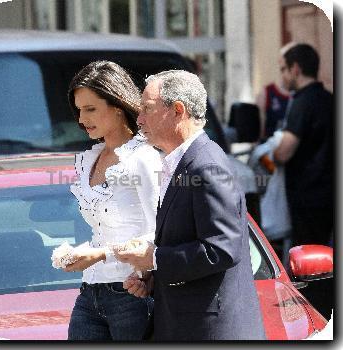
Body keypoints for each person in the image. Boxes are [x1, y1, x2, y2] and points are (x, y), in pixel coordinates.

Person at [114, 70, 266, 340]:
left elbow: (222, 248)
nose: (139, 120)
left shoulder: (206, 165)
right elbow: (190, 240)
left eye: (147, 109)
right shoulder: (183, 161)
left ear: (177, 110)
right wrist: (154, 277)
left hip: (210, 332)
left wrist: (155, 258)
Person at [63, 61, 162, 340]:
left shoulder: (143, 158)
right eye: (79, 110)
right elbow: (101, 231)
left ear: (118, 106)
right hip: (89, 293)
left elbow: (161, 231)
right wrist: (83, 253)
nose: (82, 119)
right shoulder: (90, 159)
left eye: (90, 109)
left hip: (133, 294)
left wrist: (101, 254)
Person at [273, 43, 333, 319]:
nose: (283, 76)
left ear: (296, 69)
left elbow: (285, 151)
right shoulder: (329, 98)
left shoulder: (302, 102)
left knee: (309, 263)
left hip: (308, 197)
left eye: (284, 69)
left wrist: (270, 151)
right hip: (329, 194)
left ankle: (315, 317)